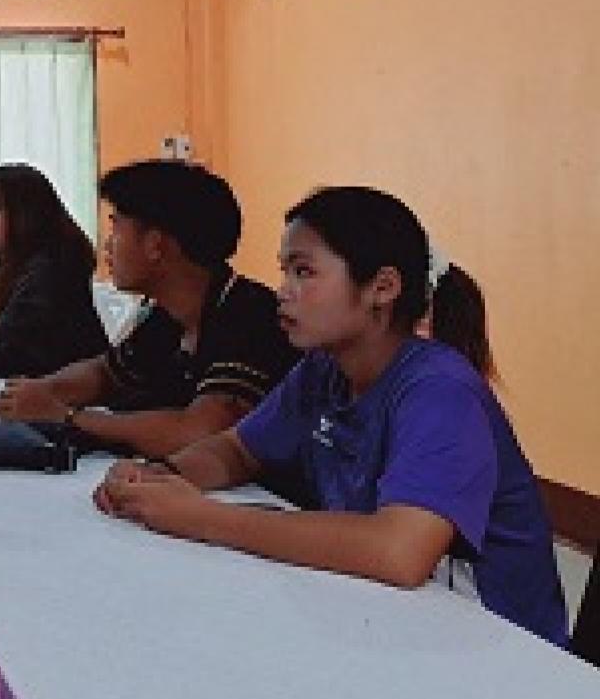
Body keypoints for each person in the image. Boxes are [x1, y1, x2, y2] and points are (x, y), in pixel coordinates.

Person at [96, 187, 567, 647]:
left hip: (491, 643)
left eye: (304, 272)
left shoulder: (441, 392)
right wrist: (161, 477)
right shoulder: (323, 370)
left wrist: (202, 517)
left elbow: (399, 552)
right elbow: (238, 449)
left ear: (382, 288)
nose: (283, 292)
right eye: (285, 272)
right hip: (384, 616)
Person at [0, 160, 298, 458]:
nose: (107, 245)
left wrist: (67, 418)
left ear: (155, 245)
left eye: (116, 228)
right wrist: (41, 391)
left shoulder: (249, 315)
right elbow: (106, 373)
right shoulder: (169, 315)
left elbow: (199, 432)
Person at [0, 163, 109, 379]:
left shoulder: (51, 271)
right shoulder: (10, 265)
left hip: (72, 393)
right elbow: (3, 329)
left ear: (26, 215)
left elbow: (0, 356)